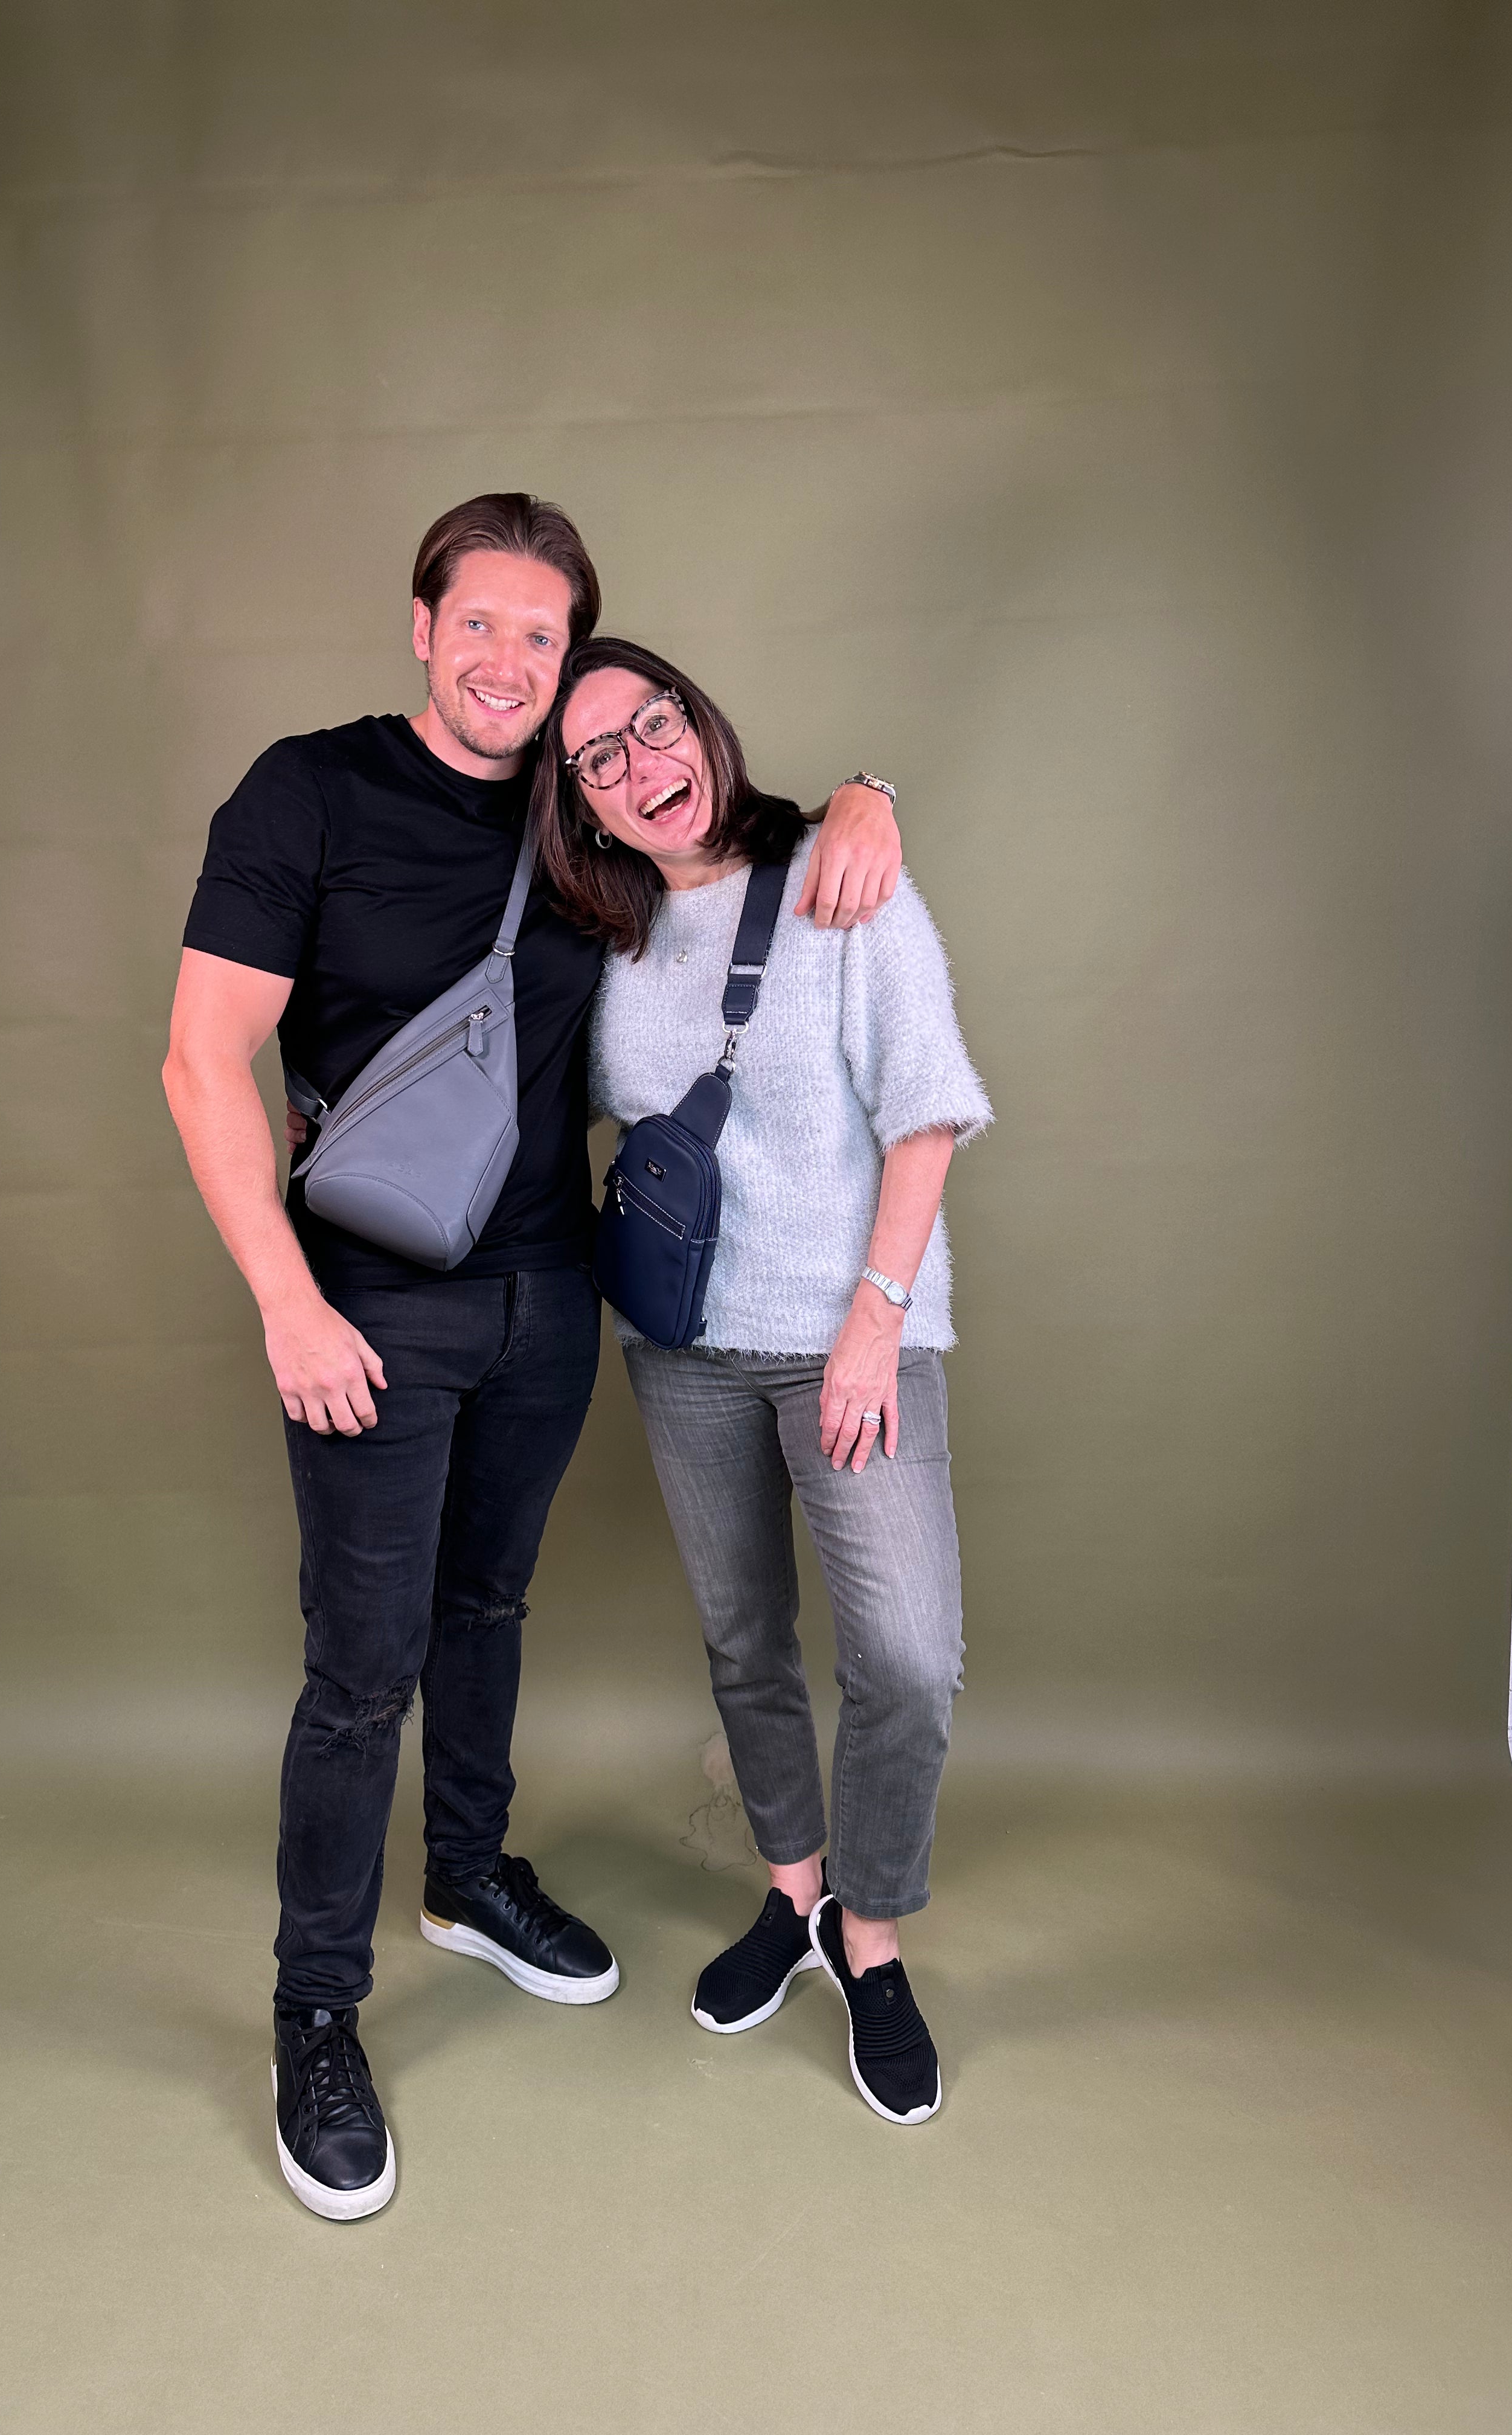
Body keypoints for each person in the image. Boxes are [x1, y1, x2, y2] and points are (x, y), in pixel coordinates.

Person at [161, 495, 905, 2218]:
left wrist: (873, 792)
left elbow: (749, 844)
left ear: (573, 660)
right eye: (480, 622)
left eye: (542, 635)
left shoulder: (589, 817)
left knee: (488, 1609)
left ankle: (468, 1876)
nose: (508, 659)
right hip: (366, 1309)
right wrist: (286, 1302)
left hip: (550, 1296)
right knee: (360, 1673)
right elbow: (204, 1060)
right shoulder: (308, 792)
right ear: (424, 627)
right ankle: (313, 2014)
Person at [533, 635, 991, 2127]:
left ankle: (873, 1939)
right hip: (684, 1352)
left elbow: (927, 1113)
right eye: (598, 759)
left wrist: (873, 1321)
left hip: (855, 1334)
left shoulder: (841, 879)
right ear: (582, 803)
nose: (640, 766)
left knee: (906, 1658)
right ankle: (794, 1897)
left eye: (654, 724)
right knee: (746, 1642)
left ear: (701, 725)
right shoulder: (603, 941)